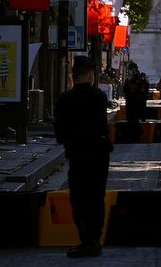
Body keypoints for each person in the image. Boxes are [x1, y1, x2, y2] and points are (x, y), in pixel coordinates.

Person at [55, 56, 113, 258]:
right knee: (97, 197)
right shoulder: (99, 97)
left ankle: (86, 240)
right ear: (90, 74)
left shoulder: (64, 99)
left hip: (77, 155)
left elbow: (59, 133)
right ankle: (95, 241)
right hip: (98, 154)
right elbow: (103, 126)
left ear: (73, 76)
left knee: (79, 199)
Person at [123, 62, 150, 144]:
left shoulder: (138, 78)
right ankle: (134, 136)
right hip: (134, 100)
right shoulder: (134, 78)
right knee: (132, 119)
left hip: (135, 101)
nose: (131, 71)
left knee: (133, 119)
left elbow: (143, 88)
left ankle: (135, 136)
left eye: (131, 69)